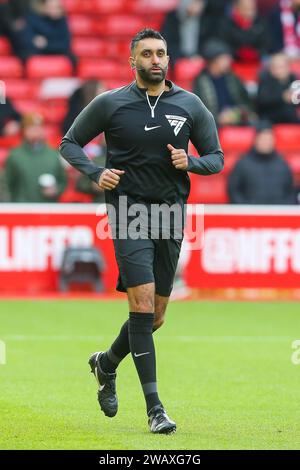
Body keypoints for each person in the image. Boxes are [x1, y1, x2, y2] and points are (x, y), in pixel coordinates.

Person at [60, 28, 224, 434]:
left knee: (155, 317)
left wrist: (192, 163)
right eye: (147, 53)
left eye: (161, 53)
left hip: (170, 215)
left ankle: (106, 362)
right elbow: (69, 143)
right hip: (128, 212)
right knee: (142, 305)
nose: (155, 59)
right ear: (132, 60)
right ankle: (155, 409)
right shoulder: (110, 103)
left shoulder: (190, 104)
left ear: (168, 59)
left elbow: (217, 158)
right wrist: (96, 173)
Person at [228, 120, 296, 204]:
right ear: (256, 140)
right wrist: (245, 209)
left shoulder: (282, 164)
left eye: (268, 138)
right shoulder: (243, 164)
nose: (265, 142)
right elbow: (233, 190)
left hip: (277, 214)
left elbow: (291, 192)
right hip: (250, 215)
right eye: (262, 138)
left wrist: (282, 210)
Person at [5, 112, 67, 202]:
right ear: (24, 130)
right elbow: (8, 184)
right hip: (23, 209)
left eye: (39, 127)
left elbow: (63, 181)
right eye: (31, 128)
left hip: (48, 208)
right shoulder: (15, 155)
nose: (36, 131)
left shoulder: (54, 154)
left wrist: (56, 190)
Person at [193, 39, 255, 126]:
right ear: (213, 61)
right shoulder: (201, 82)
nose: (229, 61)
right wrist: (219, 118)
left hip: (238, 121)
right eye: (224, 58)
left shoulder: (233, 78)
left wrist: (237, 113)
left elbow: (246, 102)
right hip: (213, 125)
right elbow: (199, 111)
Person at [160, 0, 219, 65]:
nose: (198, 6)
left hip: (199, 58)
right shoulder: (172, 17)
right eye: (195, 2)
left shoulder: (205, 19)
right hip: (177, 58)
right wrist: (183, 57)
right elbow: (167, 42)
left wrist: (200, 57)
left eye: (200, 3)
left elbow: (208, 41)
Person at [18, 0, 75, 65]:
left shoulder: (62, 21)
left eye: (57, 7)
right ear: (44, 6)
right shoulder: (33, 18)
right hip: (37, 52)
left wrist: (46, 45)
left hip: (57, 51)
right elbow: (28, 40)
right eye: (51, 7)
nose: (54, 10)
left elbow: (66, 44)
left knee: (72, 59)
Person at [256, 52, 300, 123]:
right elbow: (262, 101)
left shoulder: (293, 79)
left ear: (288, 67)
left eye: (281, 67)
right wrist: (282, 97)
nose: (278, 70)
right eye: (275, 67)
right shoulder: (265, 79)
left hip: (291, 118)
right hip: (270, 119)